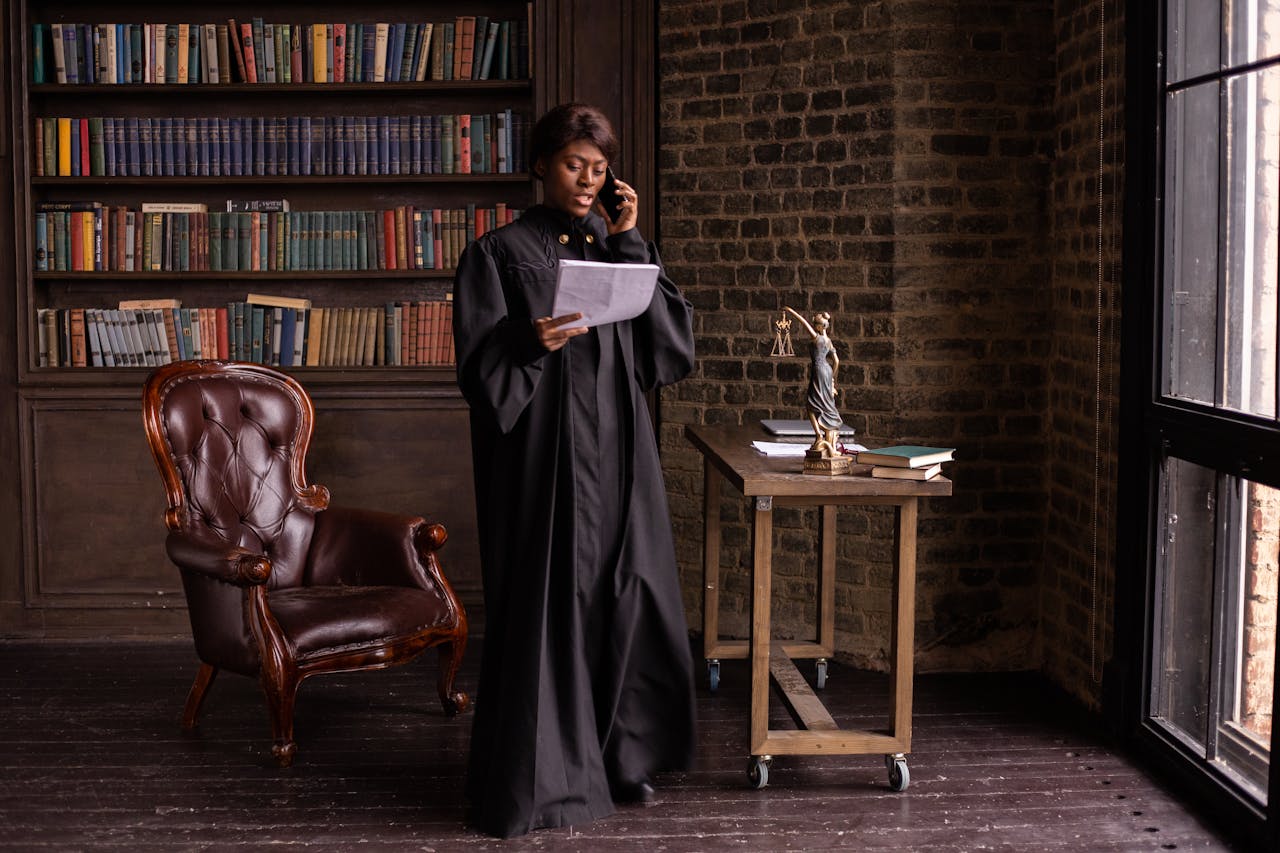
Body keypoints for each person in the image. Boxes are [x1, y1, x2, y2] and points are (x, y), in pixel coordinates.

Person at [452, 103, 697, 838]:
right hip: (545, 462)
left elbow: (668, 352)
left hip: (622, 454)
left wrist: (631, 243)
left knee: (626, 592)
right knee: (550, 602)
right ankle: (549, 781)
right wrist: (530, 340)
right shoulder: (497, 254)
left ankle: (625, 757)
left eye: (599, 169)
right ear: (540, 165)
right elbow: (478, 370)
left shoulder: (615, 248)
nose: (587, 180)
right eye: (572, 165)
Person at [784, 306, 846, 457]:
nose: (813, 327)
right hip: (827, 371)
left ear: (820, 326)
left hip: (818, 371)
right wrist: (832, 380)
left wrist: (790, 311)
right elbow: (837, 362)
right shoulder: (829, 341)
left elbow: (803, 322)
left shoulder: (817, 338)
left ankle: (819, 435)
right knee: (825, 402)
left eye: (815, 325)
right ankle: (826, 434)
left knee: (811, 404)